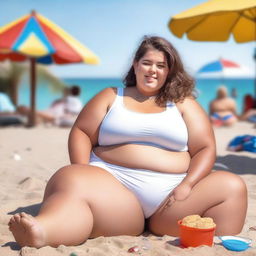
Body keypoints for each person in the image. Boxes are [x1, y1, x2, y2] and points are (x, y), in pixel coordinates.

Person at [8, 36, 247, 248]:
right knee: (70, 180)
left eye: (161, 65)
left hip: (172, 201)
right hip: (113, 191)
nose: (153, 70)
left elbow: (205, 148)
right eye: (147, 63)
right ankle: (43, 231)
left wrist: (188, 184)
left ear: (169, 71)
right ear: (135, 65)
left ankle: (219, 242)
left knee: (232, 186)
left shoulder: (184, 104)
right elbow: (81, 131)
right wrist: (83, 170)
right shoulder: (112, 96)